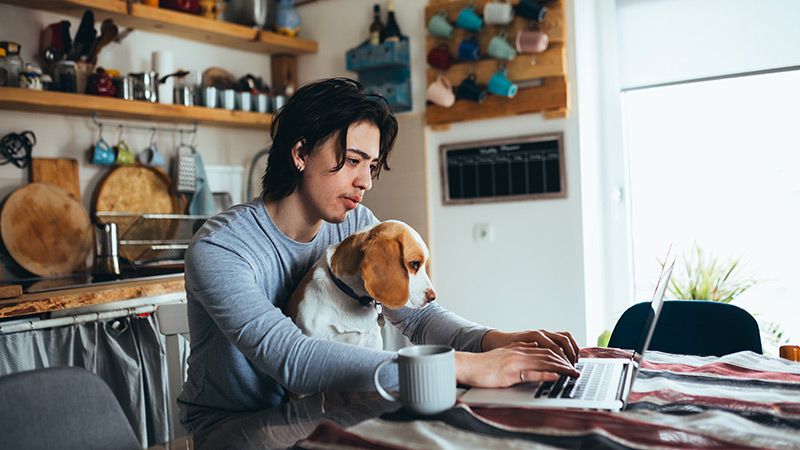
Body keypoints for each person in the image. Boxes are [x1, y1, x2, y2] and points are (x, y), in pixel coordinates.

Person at [178, 77, 580, 433]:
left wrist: (492, 341)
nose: (365, 181)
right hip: (234, 430)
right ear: (300, 153)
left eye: (371, 165)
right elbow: (291, 358)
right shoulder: (222, 247)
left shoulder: (356, 224)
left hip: (330, 413)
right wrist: (458, 365)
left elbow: (417, 315)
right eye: (353, 160)